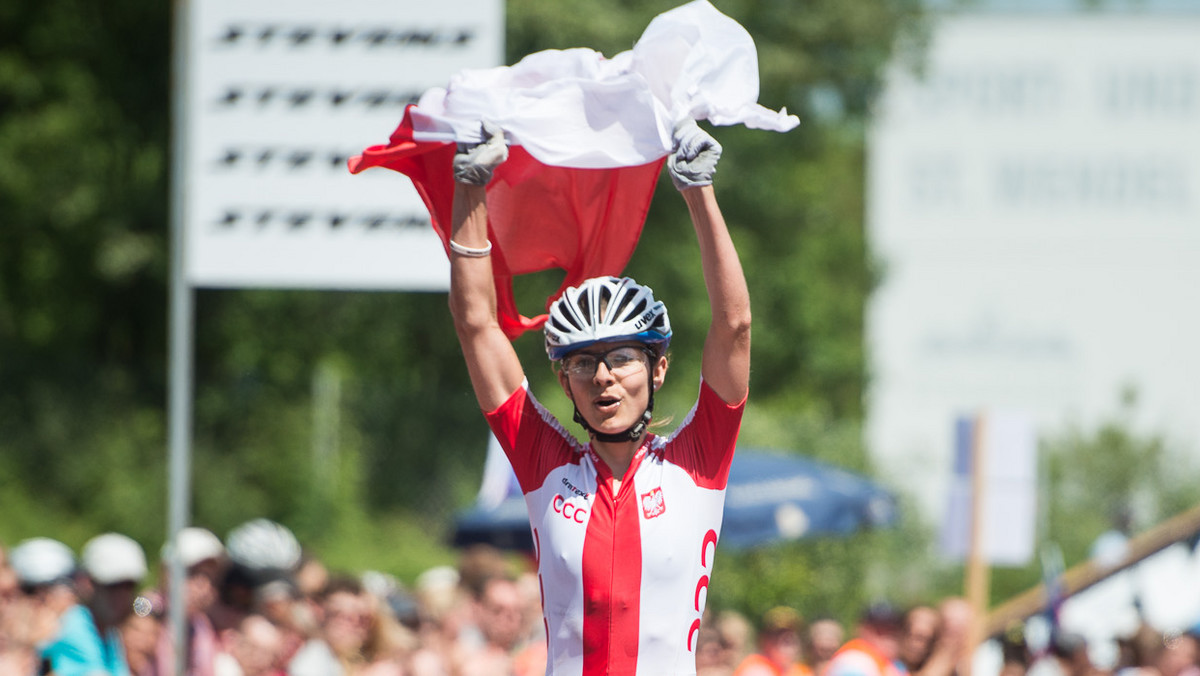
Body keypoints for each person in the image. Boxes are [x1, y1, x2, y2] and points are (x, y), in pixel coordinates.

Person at [446, 114, 750, 676]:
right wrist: (470, 187)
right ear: (564, 381)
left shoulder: (698, 459)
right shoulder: (544, 462)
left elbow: (733, 326)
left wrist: (698, 191)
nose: (603, 377)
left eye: (622, 358)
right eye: (583, 363)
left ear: (658, 371)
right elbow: (477, 327)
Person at [41, 532, 149, 676]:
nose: (121, 596)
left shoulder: (110, 633)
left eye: (128, 586)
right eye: (113, 586)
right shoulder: (71, 627)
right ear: (87, 583)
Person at [824, 603, 907, 676]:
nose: (888, 637)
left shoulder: (893, 664)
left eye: (893, 629)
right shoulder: (853, 660)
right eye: (880, 630)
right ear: (864, 630)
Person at [734, 606, 813, 676]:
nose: (788, 638)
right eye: (779, 633)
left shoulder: (801, 670)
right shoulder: (756, 669)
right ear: (764, 639)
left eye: (792, 632)